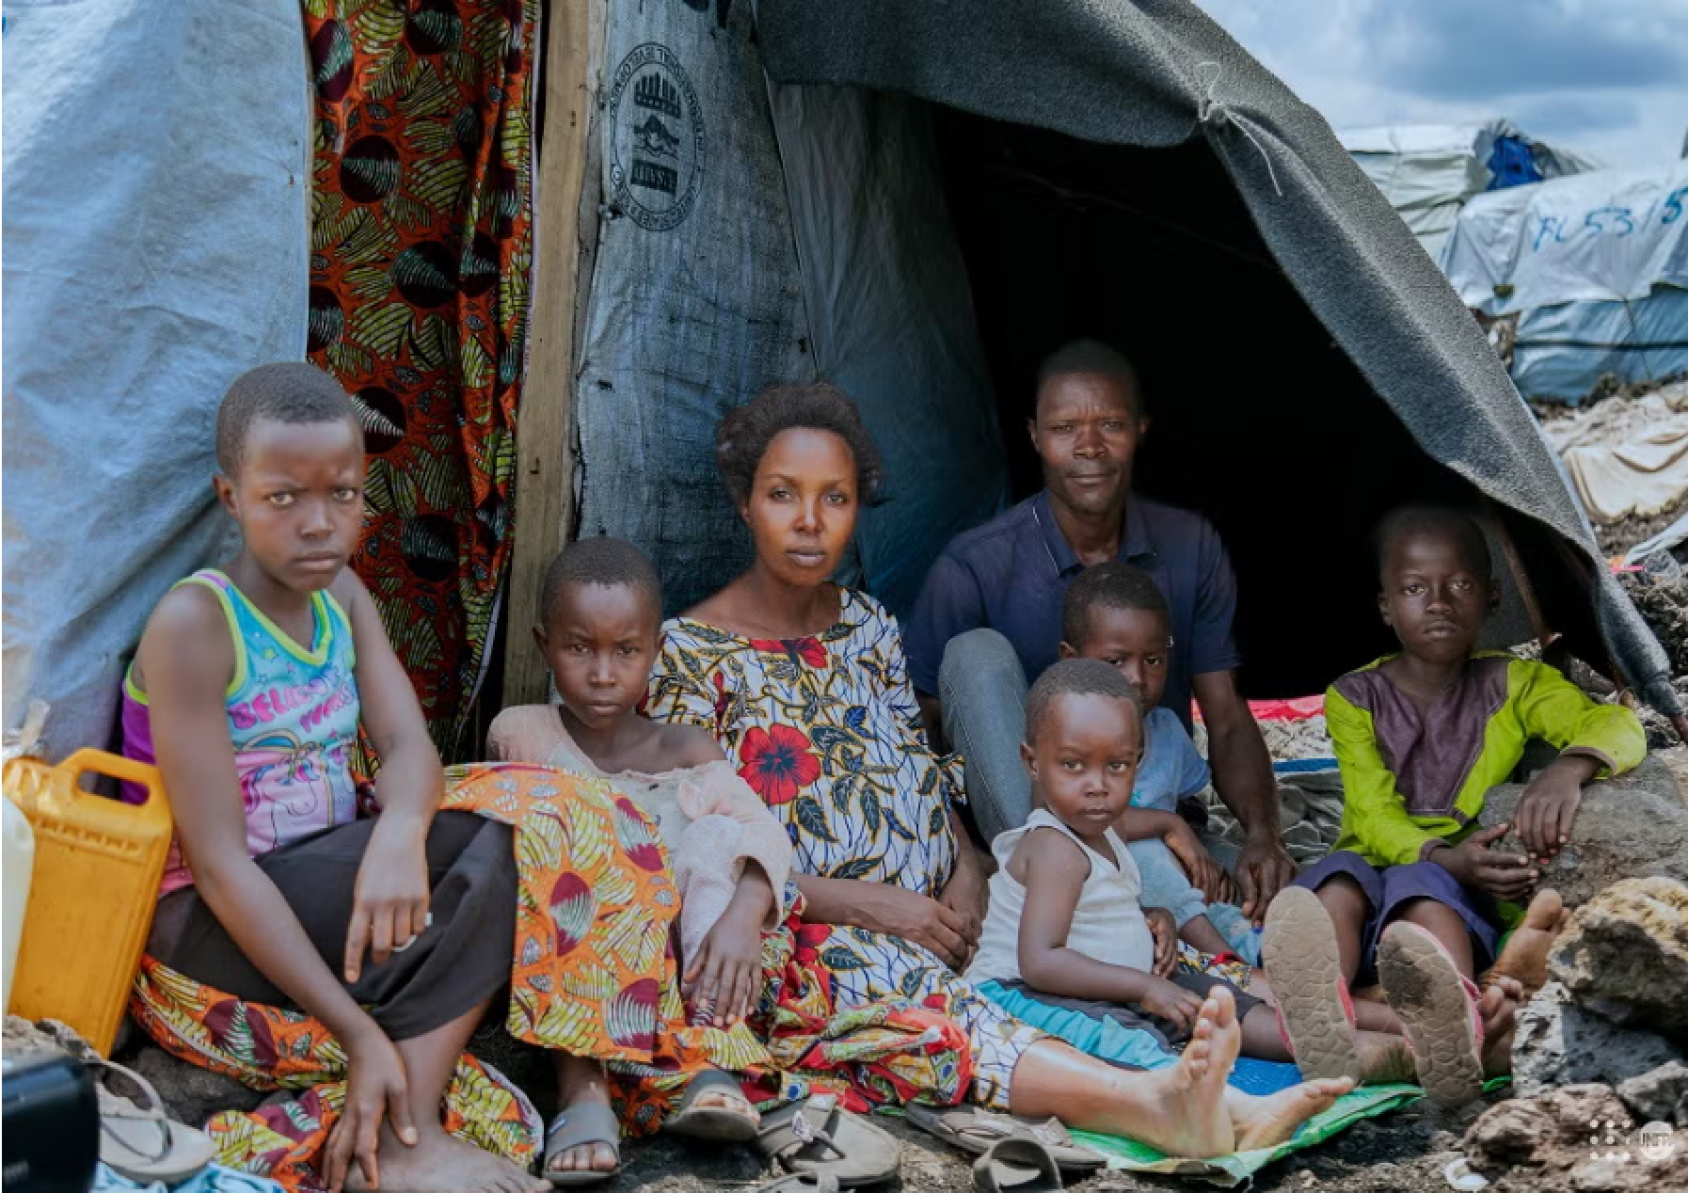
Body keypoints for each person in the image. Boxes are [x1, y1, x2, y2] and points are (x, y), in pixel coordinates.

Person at [647, 380, 1354, 1158]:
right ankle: (1157, 1101)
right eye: (784, 494)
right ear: (745, 502)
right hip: (824, 924)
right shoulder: (688, 654)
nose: (811, 521)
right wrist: (877, 908)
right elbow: (703, 848)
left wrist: (967, 866)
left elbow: (918, 766)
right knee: (936, 1015)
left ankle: (1367, 1042)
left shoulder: (868, 623)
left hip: (942, 911)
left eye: (835, 498)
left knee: (1143, 954)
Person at [121, 365, 739, 1193]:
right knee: (513, 844)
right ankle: (406, 1134)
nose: (318, 523)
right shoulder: (196, 625)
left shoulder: (341, 595)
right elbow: (223, 865)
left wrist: (399, 836)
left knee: (561, 807)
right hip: (208, 933)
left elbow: (410, 748)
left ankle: (583, 1070)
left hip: (321, 889)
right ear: (229, 496)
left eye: (340, 494)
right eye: (283, 498)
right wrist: (355, 1031)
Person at [906, 340, 1295, 923]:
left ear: (1140, 429)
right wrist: (962, 860)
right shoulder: (975, 566)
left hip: (1152, 826)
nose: (1088, 447)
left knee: (1290, 903)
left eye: (1110, 424)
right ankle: (1060, 884)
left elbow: (1227, 713)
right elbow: (917, 736)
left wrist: (1265, 834)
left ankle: (1128, 910)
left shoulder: (1189, 544)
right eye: (1065, 428)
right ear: (1035, 436)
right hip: (1028, 830)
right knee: (974, 653)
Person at [1281, 505, 1645, 1105]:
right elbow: (1370, 815)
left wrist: (1568, 767)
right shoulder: (1353, 695)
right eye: (1414, 589)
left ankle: (1448, 1023)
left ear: (1494, 597)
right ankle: (1318, 1004)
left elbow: (1615, 723)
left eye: (1461, 585)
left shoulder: (1516, 683)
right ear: (1385, 607)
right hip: (1376, 857)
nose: (1439, 602)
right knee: (1334, 883)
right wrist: (1442, 855)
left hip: (1449, 878)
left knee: (1424, 895)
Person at [487, 538, 782, 1171]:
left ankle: (709, 1051)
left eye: (626, 651)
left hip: (689, 965)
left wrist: (742, 915)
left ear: (655, 651)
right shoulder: (525, 730)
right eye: (578, 647)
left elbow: (762, 832)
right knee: (574, 829)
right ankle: (583, 1083)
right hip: (577, 967)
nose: (602, 673)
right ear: (543, 646)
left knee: (715, 839)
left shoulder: (688, 751)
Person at [967, 660, 1414, 1078]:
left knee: (1218, 998)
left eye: (1117, 766)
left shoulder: (1103, 829)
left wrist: (1153, 919)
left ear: (1136, 762)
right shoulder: (1053, 847)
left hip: (1110, 983)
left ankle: (1380, 1041)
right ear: (1032, 763)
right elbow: (1041, 961)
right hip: (1027, 995)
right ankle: (1344, 1052)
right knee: (1132, 1040)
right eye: (1072, 765)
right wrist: (1144, 987)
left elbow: (1096, 909)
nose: (1097, 786)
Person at [1055, 562, 1261, 969]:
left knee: (1227, 873)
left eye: (1152, 661)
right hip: (1097, 871)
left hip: (1172, 878)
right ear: (1070, 659)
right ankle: (1225, 964)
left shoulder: (1165, 729)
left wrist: (1196, 848)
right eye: (1116, 662)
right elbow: (1077, 821)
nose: (1136, 678)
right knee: (1146, 853)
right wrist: (1170, 827)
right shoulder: (1065, 736)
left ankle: (1267, 952)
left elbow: (1189, 806)